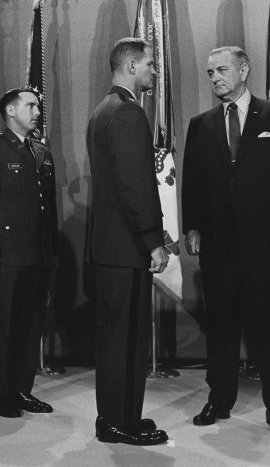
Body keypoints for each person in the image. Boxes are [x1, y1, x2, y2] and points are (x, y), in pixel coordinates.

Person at [182, 46, 270, 434]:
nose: (215, 77)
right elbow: (193, 182)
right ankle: (219, 401)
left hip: (265, 243)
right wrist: (192, 226)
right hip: (218, 246)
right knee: (221, 326)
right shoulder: (200, 124)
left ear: (244, 70)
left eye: (221, 69)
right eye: (209, 72)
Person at [84, 38, 169, 446]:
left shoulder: (103, 110)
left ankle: (121, 418)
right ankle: (118, 422)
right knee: (126, 340)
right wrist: (154, 241)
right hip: (127, 249)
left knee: (118, 338)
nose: (154, 70)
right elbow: (135, 185)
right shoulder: (128, 112)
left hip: (110, 249)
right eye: (150, 64)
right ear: (132, 65)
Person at [0, 87, 57, 418]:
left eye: (37, 106)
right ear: (10, 111)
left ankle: (22, 389)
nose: (37, 111)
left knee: (31, 326)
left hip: (38, 255)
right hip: (7, 255)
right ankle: (2, 394)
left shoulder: (41, 152)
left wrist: (52, 252)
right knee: (4, 326)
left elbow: (49, 210)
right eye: (30, 105)